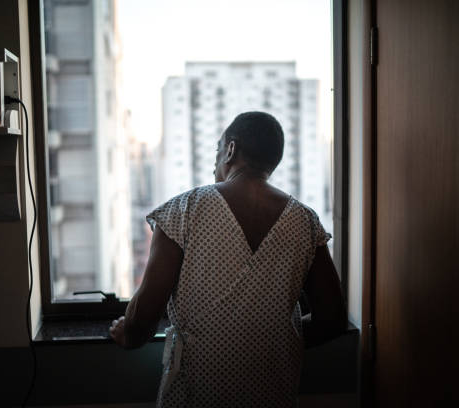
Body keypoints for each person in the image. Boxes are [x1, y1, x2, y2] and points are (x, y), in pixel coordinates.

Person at [110, 111, 347, 407]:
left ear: (231, 149)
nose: (214, 162)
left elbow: (141, 322)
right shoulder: (306, 222)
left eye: (217, 150)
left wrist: (125, 332)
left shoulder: (183, 211)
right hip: (272, 394)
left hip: (196, 394)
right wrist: (268, 340)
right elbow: (333, 319)